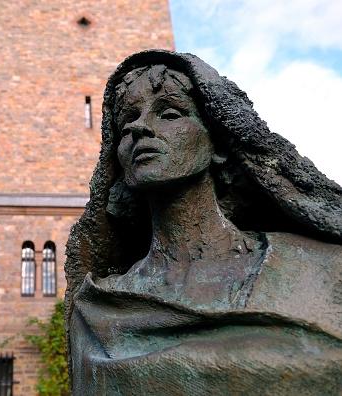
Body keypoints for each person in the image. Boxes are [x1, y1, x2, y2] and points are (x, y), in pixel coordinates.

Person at [65, 50, 342, 395]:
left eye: (169, 113)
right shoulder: (95, 310)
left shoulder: (324, 268)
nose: (138, 127)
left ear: (218, 143)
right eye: (127, 121)